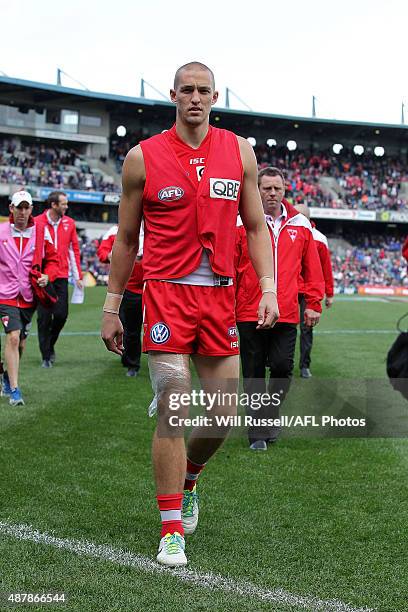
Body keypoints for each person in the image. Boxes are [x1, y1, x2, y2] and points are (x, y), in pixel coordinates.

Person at [101, 61, 279, 567]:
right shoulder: (143, 158)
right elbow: (126, 240)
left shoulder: (238, 150)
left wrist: (269, 287)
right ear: (173, 95)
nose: (195, 98)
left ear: (215, 96)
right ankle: (171, 528)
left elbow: (256, 226)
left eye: (204, 90)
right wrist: (112, 308)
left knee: (224, 413)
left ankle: (191, 478)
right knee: (174, 404)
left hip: (220, 296)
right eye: (187, 90)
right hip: (165, 296)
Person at [235, 167, 324, 450]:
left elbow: (312, 268)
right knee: (253, 372)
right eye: (266, 188)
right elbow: (229, 266)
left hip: (286, 311)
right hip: (249, 310)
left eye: (277, 188)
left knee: (284, 367)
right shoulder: (241, 222)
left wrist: (313, 303)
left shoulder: (300, 223)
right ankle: (257, 432)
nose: (272, 193)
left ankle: (271, 414)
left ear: (285, 190)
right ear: (256, 189)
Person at [0, 190, 58, 405]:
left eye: (27, 208)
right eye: (19, 207)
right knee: (13, 337)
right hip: (4, 295)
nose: (23, 212)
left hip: (28, 296)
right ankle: (15, 391)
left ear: (32, 209)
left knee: (20, 342)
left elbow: (54, 260)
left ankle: (7, 376)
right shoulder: (2, 232)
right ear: (11, 209)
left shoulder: (41, 232)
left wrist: (47, 275)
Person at [35, 191, 83, 368]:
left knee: (62, 315)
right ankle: (46, 356)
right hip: (43, 277)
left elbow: (74, 250)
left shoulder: (69, 223)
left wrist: (77, 275)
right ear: (54, 205)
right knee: (44, 318)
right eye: (63, 204)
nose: (66, 206)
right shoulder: (38, 222)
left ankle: (50, 344)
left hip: (62, 275)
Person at [97, 224, 143, 377]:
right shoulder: (115, 230)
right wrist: (112, 256)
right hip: (127, 288)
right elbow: (102, 252)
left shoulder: (155, 225)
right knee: (130, 328)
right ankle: (130, 362)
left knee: (140, 328)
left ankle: (133, 362)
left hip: (152, 286)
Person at [295, 204, 334, 378]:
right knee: (277, 324)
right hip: (287, 287)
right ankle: (276, 360)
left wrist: (329, 293)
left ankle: (304, 365)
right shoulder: (284, 230)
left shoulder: (319, 238)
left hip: (308, 291)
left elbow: (326, 268)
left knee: (306, 329)